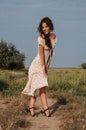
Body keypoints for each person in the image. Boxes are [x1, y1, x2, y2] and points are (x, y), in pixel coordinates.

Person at [22, 17, 57, 117]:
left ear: (50, 26)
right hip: (37, 65)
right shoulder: (40, 38)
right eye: (43, 27)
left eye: (46, 26)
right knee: (40, 88)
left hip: (44, 65)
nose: (44, 29)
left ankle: (31, 107)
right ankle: (46, 109)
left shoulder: (54, 37)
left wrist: (48, 66)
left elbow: (50, 53)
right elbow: (41, 54)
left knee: (40, 87)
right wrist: (43, 67)